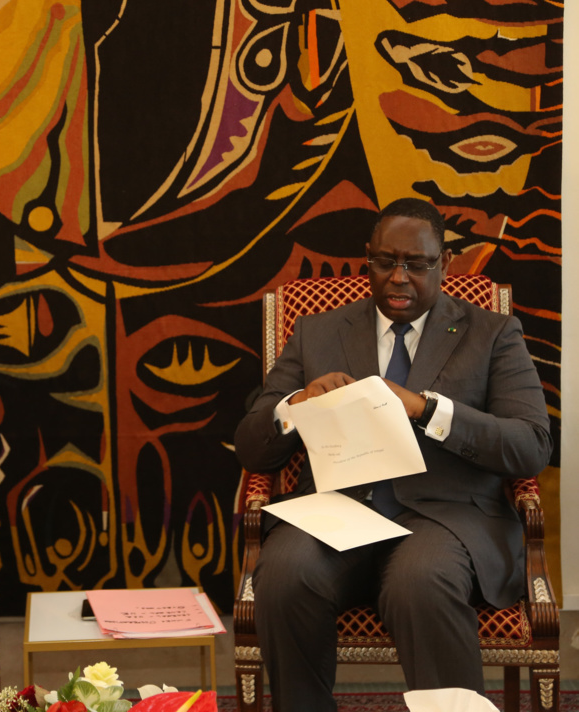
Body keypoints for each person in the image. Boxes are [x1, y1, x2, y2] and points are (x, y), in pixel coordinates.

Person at [234, 198, 553, 711]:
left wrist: (427, 409)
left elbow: (531, 446)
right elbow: (252, 444)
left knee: (420, 579)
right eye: (385, 262)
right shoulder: (318, 332)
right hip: (339, 514)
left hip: (445, 520)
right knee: (286, 571)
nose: (399, 278)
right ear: (368, 259)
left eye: (416, 264)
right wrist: (296, 406)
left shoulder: (492, 334)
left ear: (444, 263)